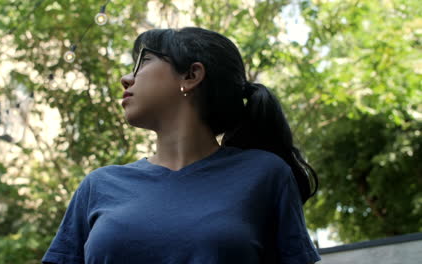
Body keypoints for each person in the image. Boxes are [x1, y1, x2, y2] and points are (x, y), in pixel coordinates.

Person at [42, 27, 321, 264]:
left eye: (144, 61)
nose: (126, 78)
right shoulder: (98, 185)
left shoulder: (266, 174)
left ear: (191, 75)